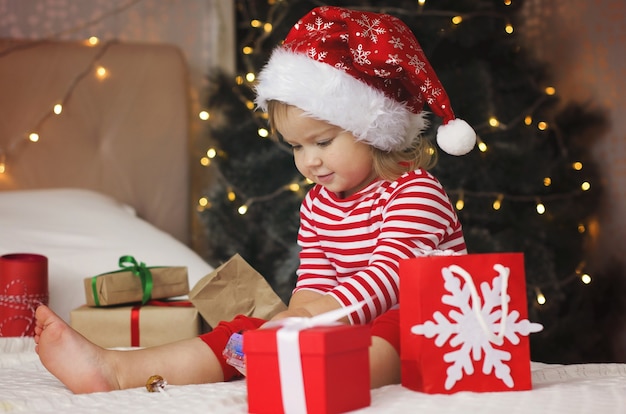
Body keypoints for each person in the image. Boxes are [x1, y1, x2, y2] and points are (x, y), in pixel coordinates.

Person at [33, 6, 476, 394]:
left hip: (428, 325)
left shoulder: (416, 194)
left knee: (395, 327)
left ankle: (322, 374)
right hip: (343, 319)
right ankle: (119, 370)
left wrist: (312, 321)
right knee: (248, 330)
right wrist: (295, 319)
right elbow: (316, 278)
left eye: (322, 141)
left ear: (372, 130)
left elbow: (386, 280)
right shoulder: (320, 203)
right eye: (297, 147)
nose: (310, 162)